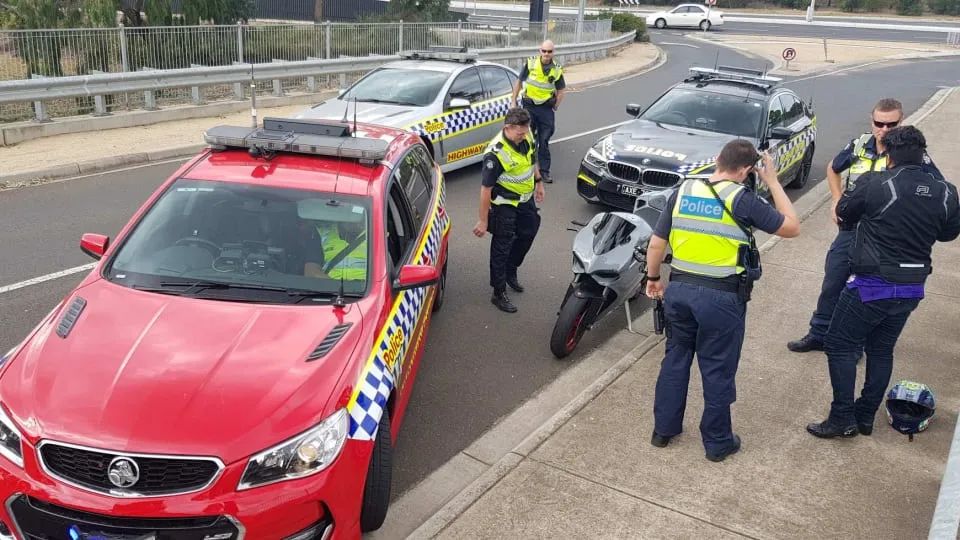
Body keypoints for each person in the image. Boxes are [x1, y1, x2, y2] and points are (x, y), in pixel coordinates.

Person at [644, 140, 800, 462]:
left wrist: (654, 278)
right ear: (745, 170)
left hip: (680, 292)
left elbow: (657, 243)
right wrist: (772, 181)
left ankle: (663, 431)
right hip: (721, 299)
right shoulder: (742, 199)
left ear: (717, 160)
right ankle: (717, 443)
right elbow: (791, 227)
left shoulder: (684, 191)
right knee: (717, 370)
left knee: (675, 360)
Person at [806, 126, 959, 439]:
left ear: (888, 155)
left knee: (839, 345)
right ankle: (864, 415)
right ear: (923, 154)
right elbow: (948, 233)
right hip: (912, 286)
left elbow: (845, 213)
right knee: (881, 349)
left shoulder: (876, 182)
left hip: (872, 283)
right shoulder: (946, 191)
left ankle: (842, 417)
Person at [787, 98, 943, 353]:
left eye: (891, 124)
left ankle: (854, 342)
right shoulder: (860, 144)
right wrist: (836, 201)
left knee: (865, 290)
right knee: (833, 280)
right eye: (879, 123)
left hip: (882, 236)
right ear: (871, 122)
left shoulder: (911, 154)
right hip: (851, 228)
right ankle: (819, 333)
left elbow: (936, 188)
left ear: (900, 122)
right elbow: (833, 168)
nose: (884, 129)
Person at [473, 107, 545, 313]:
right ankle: (498, 291)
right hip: (504, 203)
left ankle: (510, 269)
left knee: (529, 232)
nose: (523, 136)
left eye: (525, 131)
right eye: (519, 133)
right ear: (507, 128)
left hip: (525, 199)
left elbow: (532, 159)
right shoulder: (496, 153)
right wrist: (483, 219)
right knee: (501, 246)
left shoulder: (527, 135)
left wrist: (539, 182)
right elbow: (485, 189)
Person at [511, 39, 565, 184]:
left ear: (553, 52)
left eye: (550, 51)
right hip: (529, 106)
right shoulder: (531, 63)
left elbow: (561, 89)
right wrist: (513, 101)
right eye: (544, 51)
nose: (547, 54)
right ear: (540, 51)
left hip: (546, 109)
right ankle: (525, 171)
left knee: (544, 140)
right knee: (527, 140)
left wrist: (556, 105)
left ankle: (544, 172)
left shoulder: (557, 69)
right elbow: (519, 81)